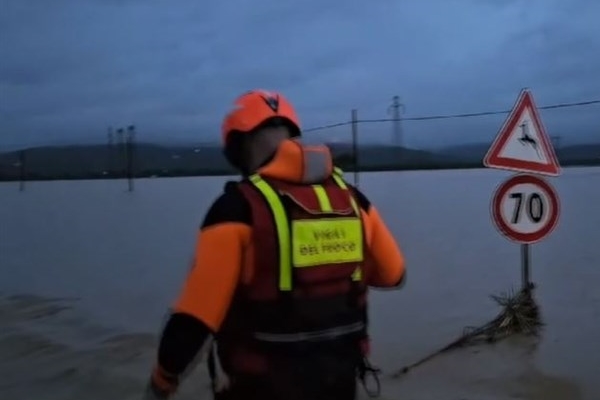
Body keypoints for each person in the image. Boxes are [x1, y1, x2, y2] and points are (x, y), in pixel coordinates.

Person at [143, 90, 406, 400]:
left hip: (261, 388)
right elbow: (394, 275)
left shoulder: (235, 208)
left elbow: (194, 321)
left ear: (237, 149)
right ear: (293, 137)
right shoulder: (353, 199)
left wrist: (161, 383)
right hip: (339, 382)